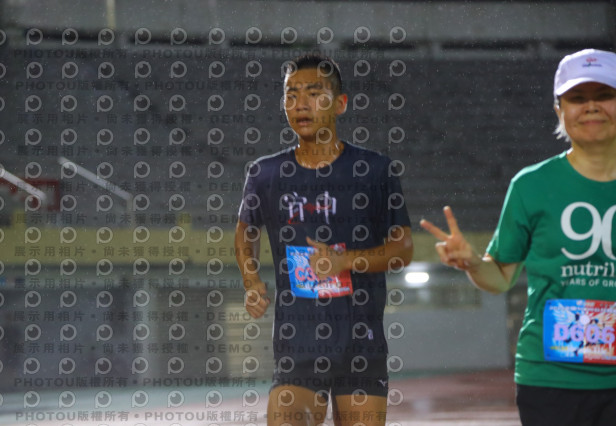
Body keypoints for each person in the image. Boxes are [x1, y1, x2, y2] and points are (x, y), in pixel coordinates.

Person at [420, 48, 616, 425]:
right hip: (551, 380)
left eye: (604, 95)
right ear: (559, 110)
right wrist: (474, 263)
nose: (591, 107)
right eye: (577, 98)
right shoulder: (531, 185)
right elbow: (500, 278)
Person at [235, 54, 413, 425]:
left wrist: (344, 261)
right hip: (297, 342)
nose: (301, 104)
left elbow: (403, 248)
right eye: (291, 95)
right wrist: (251, 281)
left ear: (340, 103)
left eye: (314, 94)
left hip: (361, 340)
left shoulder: (375, 171)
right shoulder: (265, 174)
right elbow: (245, 231)